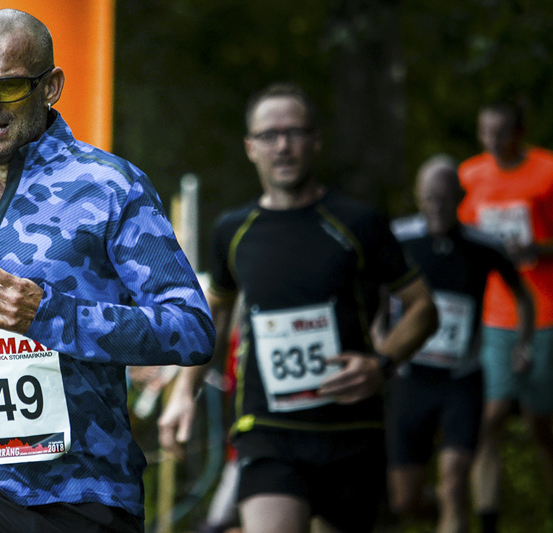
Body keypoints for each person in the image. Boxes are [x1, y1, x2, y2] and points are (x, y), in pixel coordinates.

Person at [0, 9, 215, 533]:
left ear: (50, 87)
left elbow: (191, 328)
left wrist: (51, 315)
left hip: (87, 484)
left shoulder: (111, 186)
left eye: (7, 87)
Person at [157, 82, 438, 533]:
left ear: (316, 140)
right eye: (269, 135)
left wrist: (383, 363)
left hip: (350, 431)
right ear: (250, 147)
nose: (283, 146)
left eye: (294, 133)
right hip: (267, 432)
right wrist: (182, 394)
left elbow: (423, 307)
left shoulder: (358, 223)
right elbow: (216, 315)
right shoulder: (234, 231)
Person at [382, 155, 533, 533]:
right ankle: (443, 516)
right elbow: (374, 288)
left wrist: (523, 343)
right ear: (418, 196)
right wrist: (380, 336)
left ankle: (453, 513)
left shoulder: (484, 245)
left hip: (460, 380)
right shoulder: (398, 237)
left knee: (453, 480)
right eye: (429, 198)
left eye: (445, 198)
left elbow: (523, 297)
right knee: (404, 500)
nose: (436, 207)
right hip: (410, 379)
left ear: (460, 198)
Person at [458, 99, 553, 533]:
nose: (493, 141)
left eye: (501, 132)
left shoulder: (546, 172)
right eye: (485, 132)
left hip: (545, 311)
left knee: (540, 425)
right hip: (494, 313)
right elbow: (459, 235)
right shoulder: (469, 176)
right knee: (488, 419)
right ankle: (488, 522)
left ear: (519, 133)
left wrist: (537, 249)